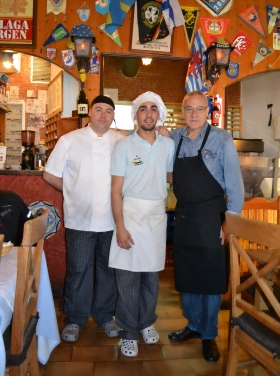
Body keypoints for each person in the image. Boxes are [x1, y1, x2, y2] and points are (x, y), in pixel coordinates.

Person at [167, 90, 244, 362]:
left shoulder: (222, 139)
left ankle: (209, 333)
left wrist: (229, 221)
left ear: (208, 111)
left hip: (213, 216)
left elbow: (235, 185)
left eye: (200, 109)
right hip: (185, 216)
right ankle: (194, 325)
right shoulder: (174, 138)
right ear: (183, 111)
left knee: (211, 279)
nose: (194, 114)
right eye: (189, 109)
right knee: (188, 276)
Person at [43, 95, 123, 342]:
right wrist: (73, 189)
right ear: (90, 113)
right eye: (98, 109)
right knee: (78, 270)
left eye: (108, 111)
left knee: (108, 270)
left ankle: (104, 316)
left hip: (112, 220)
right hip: (80, 218)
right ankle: (75, 319)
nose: (103, 114)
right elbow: (49, 175)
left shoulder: (121, 141)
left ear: (112, 116)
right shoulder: (69, 140)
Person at [109, 91, 174, 357]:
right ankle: (127, 331)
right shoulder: (123, 146)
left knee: (150, 276)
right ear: (135, 115)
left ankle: (146, 322)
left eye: (153, 109)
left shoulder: (168, 145)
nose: (148, 113)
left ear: (159, 115)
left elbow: (170, 176)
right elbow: (115, 190)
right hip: (131, 215)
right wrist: (120, 226)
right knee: (127, 278)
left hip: (157, 217)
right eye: (143, 109)